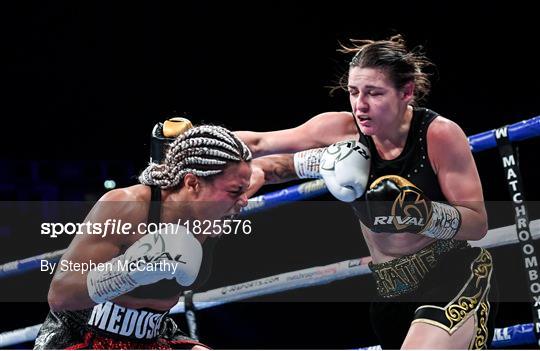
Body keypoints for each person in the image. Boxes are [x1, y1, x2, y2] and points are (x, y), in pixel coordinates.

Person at [236, 35, 496, 349]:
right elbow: (263, 146)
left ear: (407, 92)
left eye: (374, 93)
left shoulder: (438, 135)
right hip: (388, 292)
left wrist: (422, 214)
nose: (360, 105)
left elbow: (478, 223)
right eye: (354, 92)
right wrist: (211, 148)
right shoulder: (343, 133)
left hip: (451, 275)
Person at [34, 123, 252, 349]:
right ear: (193, 183)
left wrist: (293, 160)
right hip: (84, 333)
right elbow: (60, 296)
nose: (244, 200)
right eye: (236, 191)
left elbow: (270, 166)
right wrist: (132, 270)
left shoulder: (225, 199)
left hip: (153, 334)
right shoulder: (126, 206)